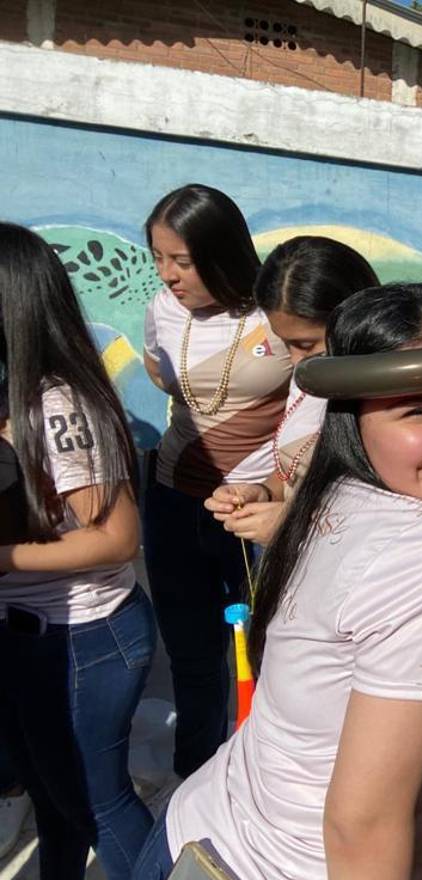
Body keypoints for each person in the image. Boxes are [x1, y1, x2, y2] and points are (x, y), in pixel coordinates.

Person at [125, 283, 422, 880]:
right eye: (415, 410)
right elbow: (363, 823)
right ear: (355, 420)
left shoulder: (332, 500)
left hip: (191, 846)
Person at [0, 222, 155, 880]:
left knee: (101, 803)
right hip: (32, 635)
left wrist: (3, 559)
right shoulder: (13, 391)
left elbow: (116, 540)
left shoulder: (57, 405)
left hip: (87, 641)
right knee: (52, 787)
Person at [141, 184, 292, 779]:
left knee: (266, 653)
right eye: (158, 257)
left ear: (223, 252)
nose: (168, 274)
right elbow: (160, 374)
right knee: (191, 654)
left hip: (251, 514)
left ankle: (264, 772)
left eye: (182, 260)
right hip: (174, 500)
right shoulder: (162, 309)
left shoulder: (273, 315)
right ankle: (194, 775)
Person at [204, 236, 379, 545]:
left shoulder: (385, 402)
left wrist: (296, 527)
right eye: (285, 343)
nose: (296, 361)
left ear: (352, 318)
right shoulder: (311, 378)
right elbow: (296, 470)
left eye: (306, 344)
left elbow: (382, 520)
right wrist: (263, 491)